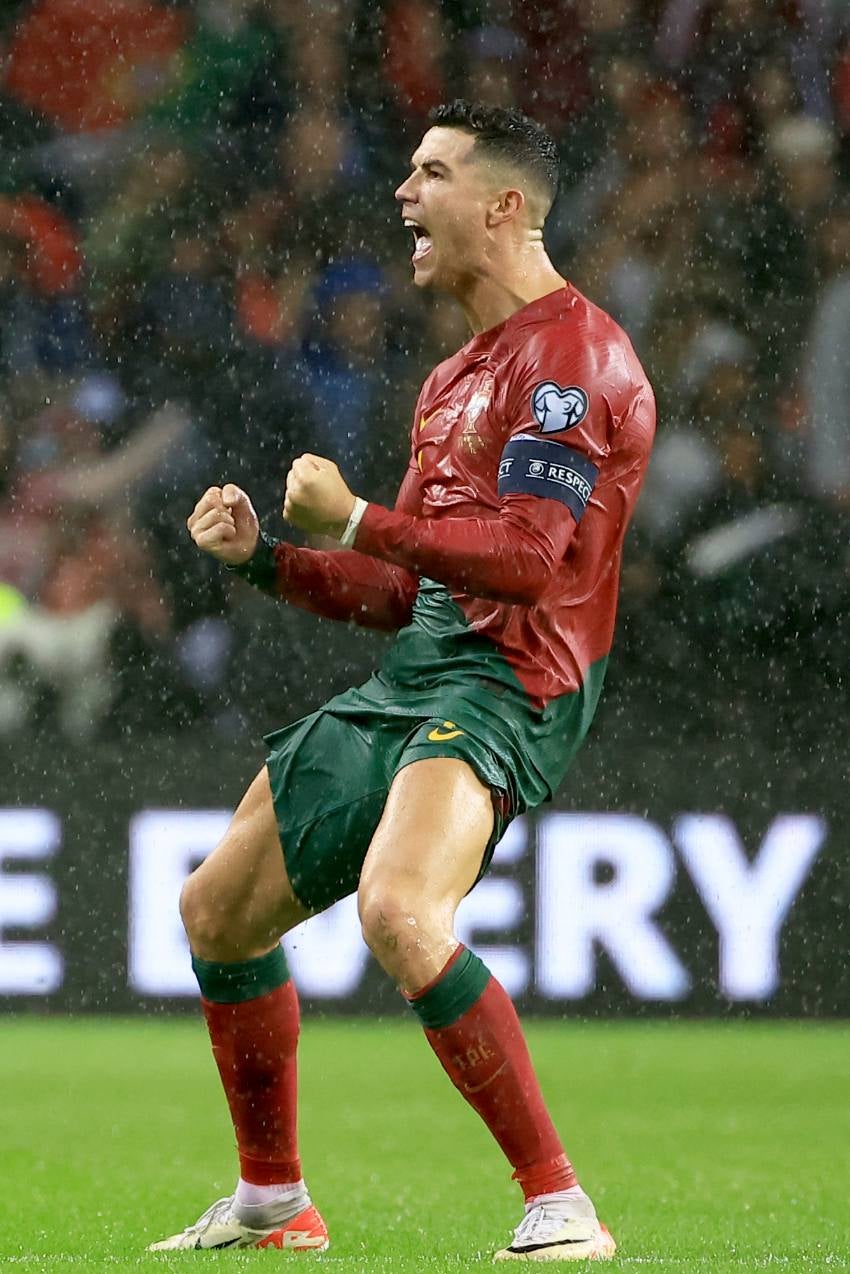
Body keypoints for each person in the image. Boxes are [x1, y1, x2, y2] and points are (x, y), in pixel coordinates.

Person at [150, 100, 655, 1262]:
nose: (402, 195)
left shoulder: (572, 358)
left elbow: (529, 568)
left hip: (511, 679)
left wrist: (362, 515)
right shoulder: (448, 382)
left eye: (430, 173)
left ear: (505, 205)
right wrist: (270, 559)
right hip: (422, 667)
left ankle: (560, 1201)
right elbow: (403, 590)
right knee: (216, 909)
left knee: (397, 906)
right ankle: (274, 1199)